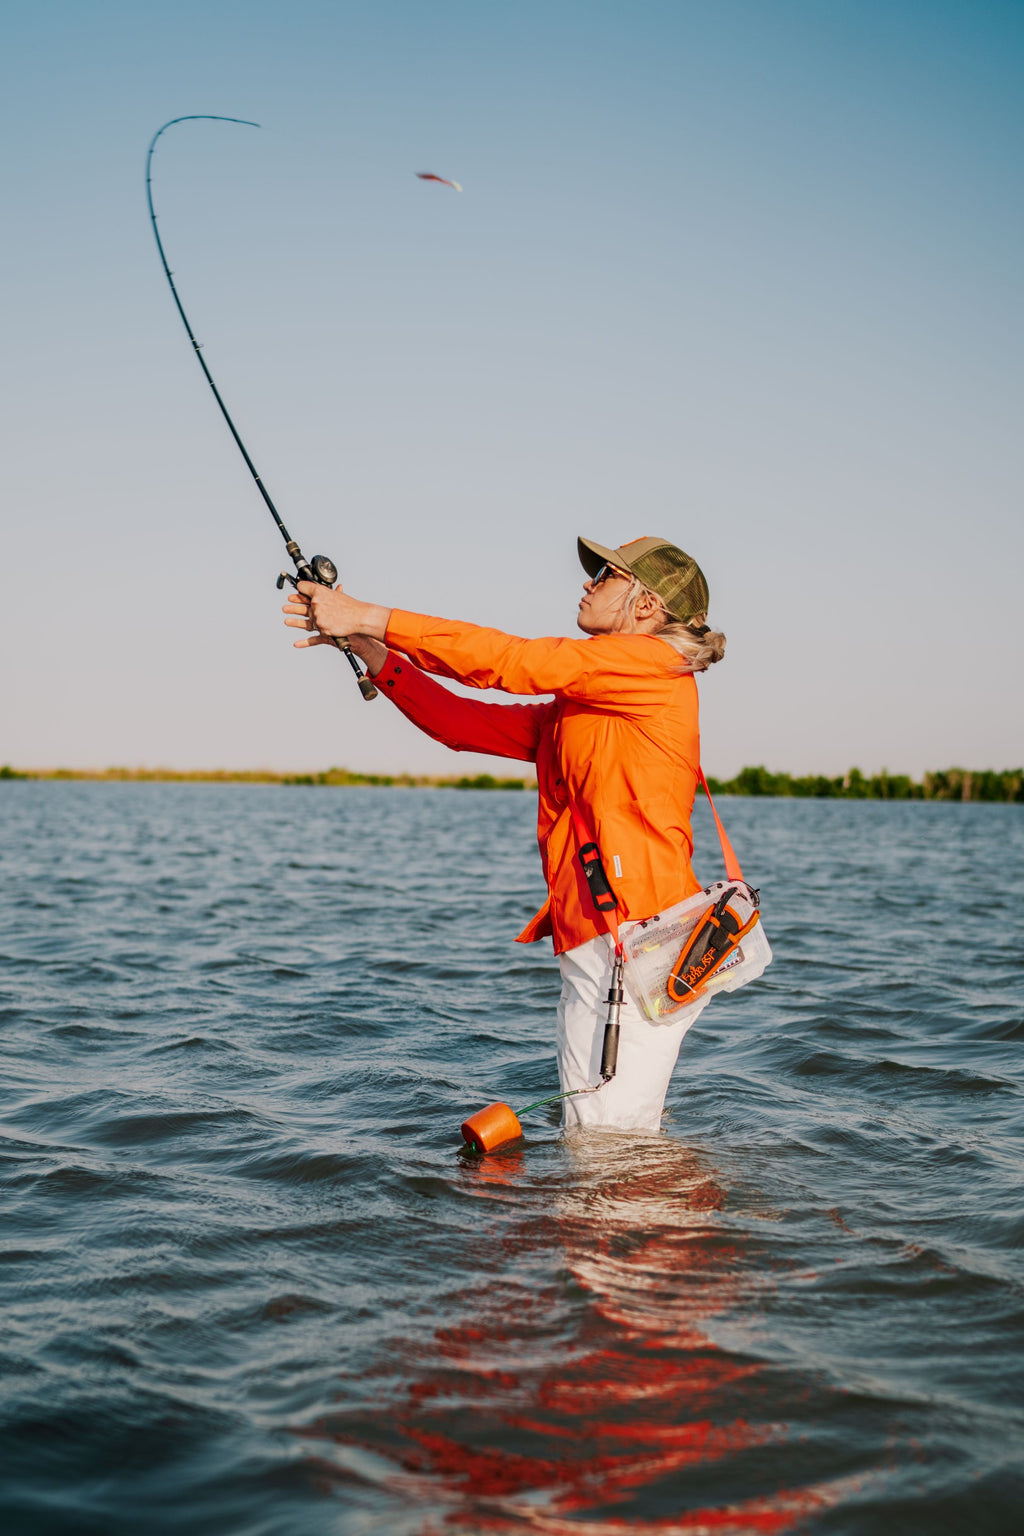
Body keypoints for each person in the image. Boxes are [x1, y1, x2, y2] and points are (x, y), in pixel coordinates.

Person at [282, 536, 726, 1133]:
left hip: (632, 942)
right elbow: (464, 724)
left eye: (606, 575)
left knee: (607, 1144)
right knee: (606, 1138)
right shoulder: (591, 700)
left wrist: (368, 615)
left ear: (645, 607)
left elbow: (514, 662)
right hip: (606, 937)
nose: (588, 582)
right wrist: (373, 650)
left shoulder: (648, 666)